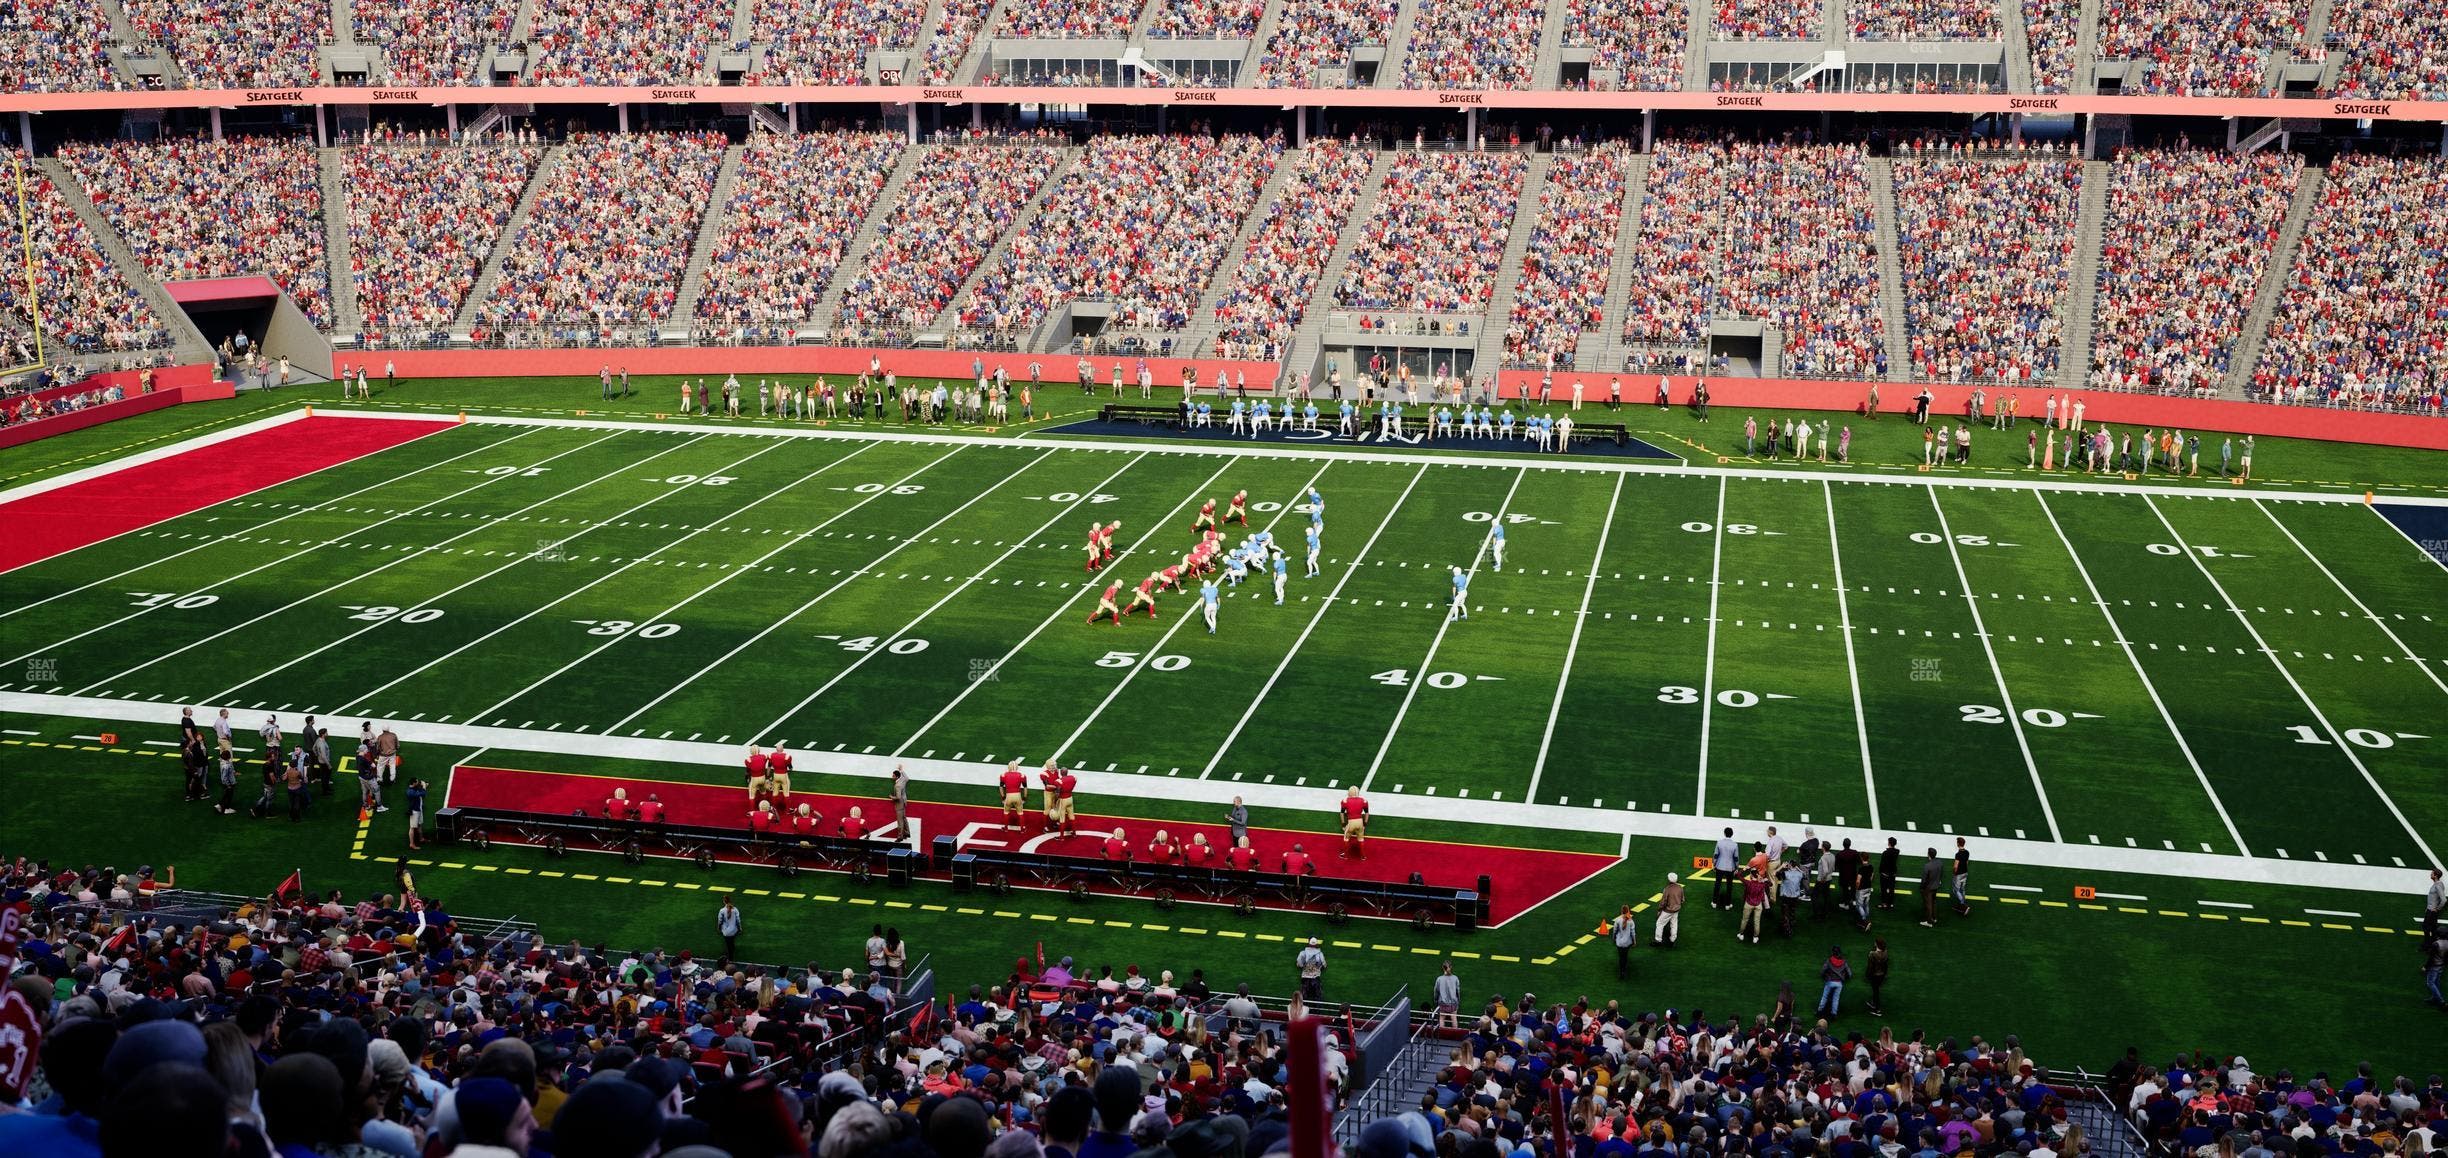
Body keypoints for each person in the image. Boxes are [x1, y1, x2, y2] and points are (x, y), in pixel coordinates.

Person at [1817, 945, 1850, 1018]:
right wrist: (1844, 978)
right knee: (1836, 999)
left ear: (1833, 952)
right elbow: (1849, 973)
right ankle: (1834, 1014)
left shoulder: (1829, 961)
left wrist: (1824, 977)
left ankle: (1819, 1011)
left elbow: (1823, 971)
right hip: (1839, 983)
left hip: (1830, 981)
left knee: (1825, 997)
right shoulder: (1844, 962)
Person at [1337, 786, 1368, 859]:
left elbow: (1341, 813)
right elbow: (1367, 813)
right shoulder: (1364, 800)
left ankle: (1345, 855)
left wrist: (1343, 824)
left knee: (1346, 838)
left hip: (1351, 822)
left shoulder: (1345, 800)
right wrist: (1365, 823)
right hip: (1360, 822)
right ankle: (1363, 856)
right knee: (1361, 839)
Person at [1713, 828, 1741, 909]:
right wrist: (1737, 866)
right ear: (1732, 834)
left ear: (1724, 833)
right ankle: (1727, 904)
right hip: (1730, 867)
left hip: (1719, 866)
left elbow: (1716, 855)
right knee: (1729, 886)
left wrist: (1714, 864)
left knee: (1717, 884)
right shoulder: (1735, 844)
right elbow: (1736, 857)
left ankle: (1714, 902)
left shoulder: (1719, 842)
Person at [1655, 871, 1683, 947]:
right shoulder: (1680, 888)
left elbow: (1663, 902)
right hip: (1676, 910)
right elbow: (1682, 899)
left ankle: (1658, 940)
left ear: (1669, 880)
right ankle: (1672, 940)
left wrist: (1659, 910)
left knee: (1659, 924)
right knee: (1674, 924)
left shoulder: (1667, 889)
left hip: (1668, 910)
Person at [1295, 936, 1326, 1000]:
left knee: (1304, 996)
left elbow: (1299, 964)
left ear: (1308, 943)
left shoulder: (1303, 953)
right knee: (1317, 996)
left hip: (1305, 977)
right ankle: (1316, 1009)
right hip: (1316, 978)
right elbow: (1324, 965)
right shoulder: (1320, 954)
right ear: (1316, 944)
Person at [1432, 961, 1461, 1028]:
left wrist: (1436, 1000)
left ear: (1443, 968)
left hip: (1442, 1003)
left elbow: (1436, 991)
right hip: (1453, 1003)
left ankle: (1442, 1034)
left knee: (1441, 1019)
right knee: (1454, 1018)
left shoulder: (1439, 979)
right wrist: (1458, 1000)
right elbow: (1458, 991)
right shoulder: (1455, 978)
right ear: (1451, 967)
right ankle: (1455, 1034)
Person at [1610, 905, 1637, 978]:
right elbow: (1633, 933)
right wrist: (1634, 941)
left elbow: (1615, 931)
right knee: (1625, 957)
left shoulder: (1618, 920)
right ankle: (1624, 971)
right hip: (1627, 943)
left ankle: (1621, 971)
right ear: (1628, 911)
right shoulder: (1631, 921)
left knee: (1621, 957)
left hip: (1619, 942)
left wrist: (1614, 938)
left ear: (1621, 911)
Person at [1866, 938, 1891, 1015]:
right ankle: (1874, 1004)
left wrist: (1868, 975)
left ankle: (1877, 1009)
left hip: (1875, 975)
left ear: (1877, 944)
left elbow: (1870, 967)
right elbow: (1886, 965)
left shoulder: (1872, 954)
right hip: (1882, 975)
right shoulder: (1885, 953)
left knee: (1876, 991)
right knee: (1876, 990)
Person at [1919, 847, 1943, 927]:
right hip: (1936, 886)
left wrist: (1921, 888)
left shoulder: (1927, 866)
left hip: (1928, 888)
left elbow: (1924, 880)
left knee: (1928, 904)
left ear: (1928, 854)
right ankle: (1934, 917)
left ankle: (1929, 921)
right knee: (1934, 902)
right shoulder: (1939, 862)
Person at [717, 895, 743, 959]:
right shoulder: (735, 909)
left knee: (728, 944)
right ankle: (732, 950)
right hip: (734, 930)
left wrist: (719, 928)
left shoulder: (722, 911)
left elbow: (720, 921)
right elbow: (738, 921)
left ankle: (730, 957)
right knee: (732, 941)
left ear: (724, 901)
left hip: (726, 932)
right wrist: (740, 928)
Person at [1951, 837, 1972, 916]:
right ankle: (1962, 904)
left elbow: (1955, 866)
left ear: (1958, 844)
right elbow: (1966, 863)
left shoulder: (1958, 854)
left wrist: (1954, 873)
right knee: (1962, 889)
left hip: (1959, 874)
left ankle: (1963, 905)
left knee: (1956, 890)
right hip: (1965, 873)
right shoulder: (1967, 852)